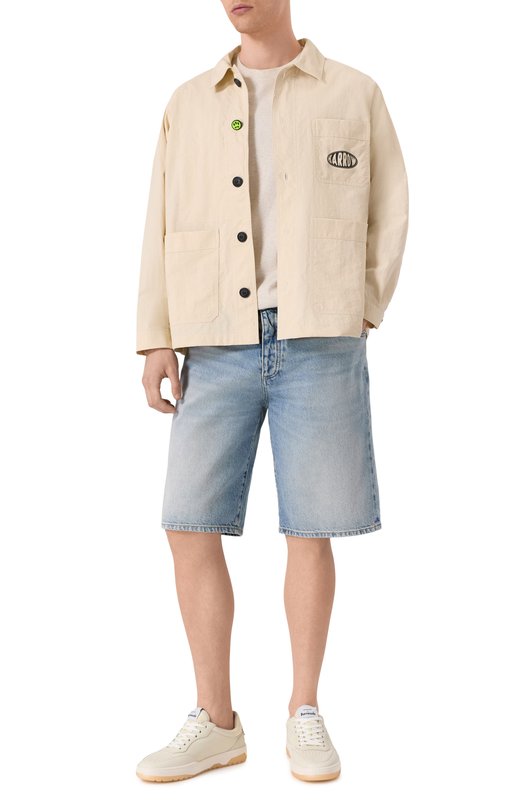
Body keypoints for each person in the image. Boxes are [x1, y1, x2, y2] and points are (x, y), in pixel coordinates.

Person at [135, 0, 409, 785]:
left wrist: (361, 306)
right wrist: (156, 333)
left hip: (321, 338)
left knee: (310, 527)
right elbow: (159, 218)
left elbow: (390, 209)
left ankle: (304, 711)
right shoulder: (188, 101)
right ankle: (216, 721)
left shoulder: (352, 92)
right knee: (188, 522)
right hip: (213, 336)